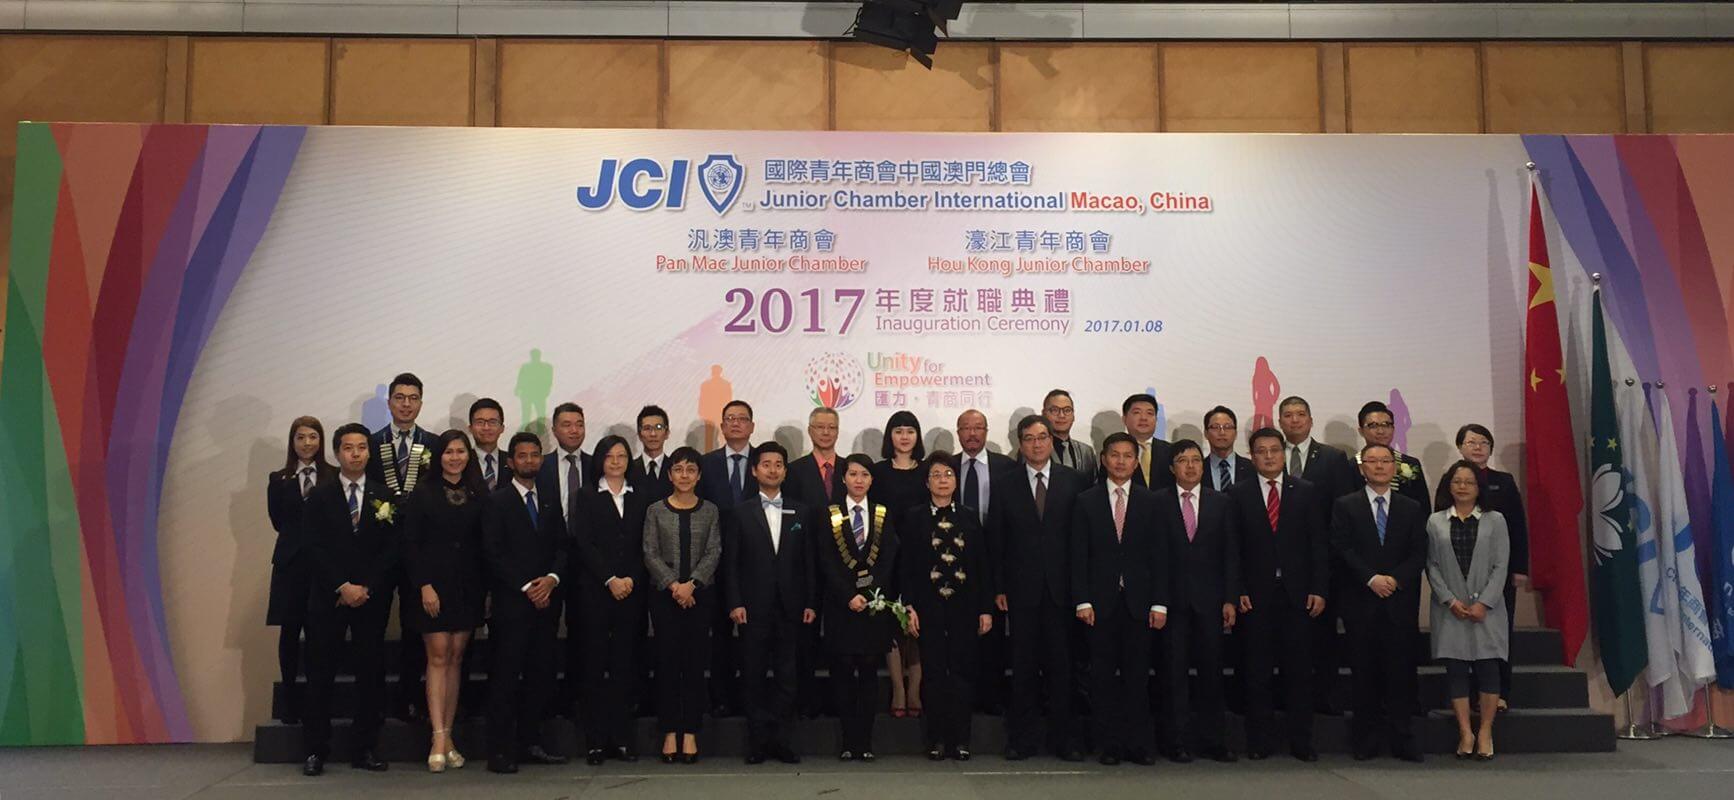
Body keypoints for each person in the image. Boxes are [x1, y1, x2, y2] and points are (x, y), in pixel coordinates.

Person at [300, 423, 397, 776]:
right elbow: (313, 546)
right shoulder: (320, 495)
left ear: (369, 452)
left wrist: (365, 586)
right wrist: (342, 585)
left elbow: (391, 549)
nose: (355, 454)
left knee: (370, 673)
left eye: (361, 448)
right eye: (348, 448)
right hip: (330, 597)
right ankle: (316, 750)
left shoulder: (384, 495)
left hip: (370, 598)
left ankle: (365, 747)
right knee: (321, 673)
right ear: (337, 452)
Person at [991, 415, 1085, 761]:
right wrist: (999, 587)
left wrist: (1081, 589)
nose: (1037, 444)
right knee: (1024, 668)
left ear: (1051, 441)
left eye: (1042, 437)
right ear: (1020, 444)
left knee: (1063, 668)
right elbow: (997, 539)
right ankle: (1022, 739)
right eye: (1029, 438)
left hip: (1063, 590)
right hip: (1021, 591)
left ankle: (1065, 740)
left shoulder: (1073, 481)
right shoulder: (1005, 483)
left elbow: (1081, 540)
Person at [1231, 427, 1327, 762]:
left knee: (1298, 671)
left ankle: (1301, 741)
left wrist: (1319, 588)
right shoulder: (1237, 494)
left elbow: (1318, 545)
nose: (1269, 456)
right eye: (1261, 451)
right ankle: (1260, 741)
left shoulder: (1306, 491)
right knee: (1256, 672)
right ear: (1252, 456)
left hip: (1298, 595)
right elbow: (1232, 548)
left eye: (1274, 450)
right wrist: (1238, 589)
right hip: (1255, 597)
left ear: (1283, 453)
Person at [1071, 433, 1167, 766]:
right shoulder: (1086, 500)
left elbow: (1160, 556)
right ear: (1103, 459)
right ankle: (1109, 745)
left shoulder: (1151, 501)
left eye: (1128, 456)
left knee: (1137, 677)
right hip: (1099, 605)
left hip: (1140, 604)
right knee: (1102, 678)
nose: (1121, 461)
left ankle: (1138, 744)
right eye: (1115, 455)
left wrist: (1159, 603)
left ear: (1137, 462)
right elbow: (1078, 555)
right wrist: (1082, 600)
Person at [1333, 442, 1428, 763]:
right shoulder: (1346, 505)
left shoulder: (1411, 507)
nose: (1379, 466)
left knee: (1400, 672)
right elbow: (1342, 548)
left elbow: (1419, 552)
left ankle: (1403, 738)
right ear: (1362, 468)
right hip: (1361, 601)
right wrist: (1371, 578)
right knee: (1364, 673)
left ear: (1394, 467)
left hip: (1399, 602)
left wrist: (1395, 579)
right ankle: (1365, 739)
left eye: (1385, 461)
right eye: (1372, 461)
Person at [481, 431, 570, 774]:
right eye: (522, 455)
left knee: (539, 675)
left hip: (546, 603)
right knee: (505, 678)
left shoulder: (549, 499)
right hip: (511, 604)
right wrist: (526, 586)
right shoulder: (497, 501)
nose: (529, 460)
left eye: (535, 455)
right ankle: (500, 751)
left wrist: (552, 579)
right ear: (511, 461)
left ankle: (531, 743)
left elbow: (562, 546)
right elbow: (492, 552)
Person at [402, 429, 488, 772]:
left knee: (456, 657)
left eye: (460, 452)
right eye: (449, 452)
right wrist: (424, 585)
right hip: (432, 587)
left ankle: (448, 736)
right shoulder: (423, 492)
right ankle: (437, 737)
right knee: (437, 656)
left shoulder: (478, 492)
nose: (455, 458)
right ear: (439, 456)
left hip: (468, 586)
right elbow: (410, 544)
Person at [725, 441, 815, 764]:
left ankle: (782, 741)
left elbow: (808, 563)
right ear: (754, 470)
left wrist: (810, 602)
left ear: (785, 471)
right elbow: (731, 564)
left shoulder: (801, 511)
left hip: (791, 607)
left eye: (778, 464)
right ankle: (758, 742)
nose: (772, 470)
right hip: (752, 608)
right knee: (753, 675)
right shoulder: (740, 512)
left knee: (787, 677)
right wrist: (735, 602)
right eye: (766, 464)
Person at [900, 453, 994, 761]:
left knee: (963, 672)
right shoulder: (914, 518)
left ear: (956, 481)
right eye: (937, 475)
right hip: (927, 607)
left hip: (965, 607)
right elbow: (906, 567)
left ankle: (961, 739)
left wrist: (985, 609)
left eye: (948, 475)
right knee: (934, 673)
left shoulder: (969, 517)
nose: (943, 480)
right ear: (927, 482)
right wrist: (908, 606)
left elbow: (981, 566)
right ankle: (937, 739)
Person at [1153, 439, 1240, 763]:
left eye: (1195, 460)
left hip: (1211, 602)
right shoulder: (1157, 502)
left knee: (1211, 674)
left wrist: (1230, 598)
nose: (1190, 466)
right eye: (1183, 460)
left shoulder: (1221, 502)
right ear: (1171, 467)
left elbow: (1231, 553)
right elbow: (1152, 557)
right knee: (1173, 675)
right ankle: (1175, 741)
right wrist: (1157, 601)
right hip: (1172, 602)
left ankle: (1213, 740)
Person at [1432, 423, 1527, 713]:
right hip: (1456, 575)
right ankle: (1466, 695)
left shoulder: (1504, 481)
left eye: (1483, 442)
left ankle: (1500, 693)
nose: (1477, 447)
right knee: (1459, 642)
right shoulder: (1449, 481)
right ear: (1460, 447)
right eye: (1471, 442)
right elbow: (1437, 534)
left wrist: (1519, 567)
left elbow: (1517, 526)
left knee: (1497, 636)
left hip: (1497, 573)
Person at [1278, 394, 1357, 715]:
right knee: (1285, 638)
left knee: (1323, 635)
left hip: (1321, 562)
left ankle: (1325, 699)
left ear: (1311, 420)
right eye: (1288, 415)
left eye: (1300, 414)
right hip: (1280, 564)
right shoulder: (1269, 454)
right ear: (1279, 421)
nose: (1294, 420)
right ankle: (1287, 700)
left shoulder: (1333, 458)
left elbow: (1343, 511)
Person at [818, 454, 901, 761]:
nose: (858, 480)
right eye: (853, 474)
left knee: (868, 674)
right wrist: (848, 595)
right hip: (841, 606)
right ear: (843, 478)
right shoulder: (830, 514)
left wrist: (869, 593)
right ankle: (847, 740)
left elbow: (888, 557)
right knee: (842, 673)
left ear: (871, 480)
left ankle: (864, 741)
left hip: (873, 605)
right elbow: (826, 560)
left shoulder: (882, 513)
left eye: (864, 474)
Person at [574, 435, 650, 765]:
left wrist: (630, 578)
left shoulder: (641, 496)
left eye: (622, 456)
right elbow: (584, 543)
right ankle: (594, 741)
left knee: (624, 667)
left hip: (631, 592)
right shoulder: (587, 495)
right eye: (610, 456)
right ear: (600, 461)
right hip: (596, 592)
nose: (616, 462)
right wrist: (610, 579)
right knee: (594, 666)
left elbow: (646, 544)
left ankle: (622, 739)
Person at [644, 446, 723, 764]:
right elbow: (649, 552)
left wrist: (693, 584)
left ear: (699, 475)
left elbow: (714, 551)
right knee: (666, 663)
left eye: (691, 470)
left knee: (693, 664)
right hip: (664, 597)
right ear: (669, 474)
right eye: (678, 469)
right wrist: (674, 585)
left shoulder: (711, 510)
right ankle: (668, 731)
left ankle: (690, 731)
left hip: (700, 597)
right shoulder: (655, 510)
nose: (685, 475)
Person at [1427, 461, 1510, 761]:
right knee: (1456, 671)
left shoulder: (1495, 520)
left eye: (1469, 482)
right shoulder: (1435, 521)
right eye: (1457, 481)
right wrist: (1450, 600)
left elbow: (1501, 565)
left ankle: (1485, 731)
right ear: (1448, 486)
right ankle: (1465, 732)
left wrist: (1484, 602)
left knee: (1488, 669)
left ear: (1478, 488)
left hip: (1487, 610)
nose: (1462, 487)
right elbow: (1432, 566)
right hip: (1451, 610)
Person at [367, 372, 437, 721]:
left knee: (414, 628)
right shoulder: (370, 443)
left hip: (419, 550)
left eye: (413, 398)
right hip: (379, 550)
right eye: (399, 398)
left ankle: (410, 697)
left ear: (421, 403)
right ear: (389, 402)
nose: (406, 404)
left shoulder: (434, 444)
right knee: (373, 626)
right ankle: (375, 699)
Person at [266, 416, 334, 727]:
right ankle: (290, 700)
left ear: (321, 441)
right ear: (292, 442)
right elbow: (278, 521)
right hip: (290, 565)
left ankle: (317, 701)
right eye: (301, 437)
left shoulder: (333, 476)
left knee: (320, 635)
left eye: (313, 437)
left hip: (323, 566)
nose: (307, 443)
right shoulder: (279, 479)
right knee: (290, 633)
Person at [784, 406, 847, 718]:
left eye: (831, 427)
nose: (825, 432)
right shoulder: (794, 471)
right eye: (820, 427)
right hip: (804, 565)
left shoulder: (851, 469)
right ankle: (804, 702)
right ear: (810, 431)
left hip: (845, 566)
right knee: (804, 638)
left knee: (840, 636)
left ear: (838, 431)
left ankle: (839, 701)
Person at [952, 408, 1015, 714]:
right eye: (966, 428)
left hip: (996, 559)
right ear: (958, 433)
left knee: (993, 632)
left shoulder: (1007, 467)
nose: (972, 433)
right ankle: (961, 697)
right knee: (960, 632)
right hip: (954, 560)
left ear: (987, 432)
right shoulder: (946, 467)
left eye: (978, 427)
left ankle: (992, 697)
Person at [699, 399, 757, 717]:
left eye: (742, 418)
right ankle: (721, 698)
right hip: (716, 561)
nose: (736, 423)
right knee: (720, 633)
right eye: (730, 418)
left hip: (756, 562)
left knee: (754, 635)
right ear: (722, 426)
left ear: (752, 426)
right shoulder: (706, 464)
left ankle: (751, 698)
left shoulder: (765, 462)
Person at [873, 409, 929, 717]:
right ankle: (897, 687)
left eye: (910, 431)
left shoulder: (929, 471)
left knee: (918, 624)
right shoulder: (878, 472)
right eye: (898, 431)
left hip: (922, 557)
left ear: (917, 436)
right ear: (889, 436)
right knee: (892, 623)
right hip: (888, 557)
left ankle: (915, 689)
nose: (904, 437)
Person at [536, 402, 590, 715]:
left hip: (587, 563)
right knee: (545, 633)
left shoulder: (597, 464)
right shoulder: (539, 465)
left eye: (579, 424)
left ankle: (577, 697)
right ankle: (545, 701)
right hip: (548, 562)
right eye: (567, 424)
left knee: (583, 632)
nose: (574, 430)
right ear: (554, 430)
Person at [1356, 401, 1428, 509]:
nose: (1381, 431)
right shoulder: (1350, 466)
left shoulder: (1409, 464)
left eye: (1386, 425)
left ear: (1393, 429)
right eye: (1373, 426)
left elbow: (1423, 507)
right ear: (1361, 431)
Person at [1043, 389, 1099, 487]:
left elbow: (1094, 487)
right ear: (1044, 414)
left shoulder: (1086, 452)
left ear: (1073, 416)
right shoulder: (1035, 449)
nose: (1061, 415)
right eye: (1055, 410)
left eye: (1067, 410)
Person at [1121, 394, 1174, 491]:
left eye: (1150, 413)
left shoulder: (1171, 451)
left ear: (1156, 419)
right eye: (1137, 412)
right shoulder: (1114, 452)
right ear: (1124, 419)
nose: (1144, 418)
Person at [627, 404, 674, 500]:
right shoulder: (628, 470)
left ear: (667, 433)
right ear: (639, 434)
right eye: (647, 428)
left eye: (659, 427)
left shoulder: (675, 469)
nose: (653, 434)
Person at [1202, 406, 1253, 493]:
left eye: (1227, 427)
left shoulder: (1252, 468)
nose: (1222, 432)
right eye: (1216, 427)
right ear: (1206, 433)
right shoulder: (1198, 469)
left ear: (1236, 433)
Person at [469, 398, 512, 491]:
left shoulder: (512, 461)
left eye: (492, 422)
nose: (486, 427)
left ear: (502, 428)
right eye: (480, 422)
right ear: (470, 428)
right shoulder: (462, 462)